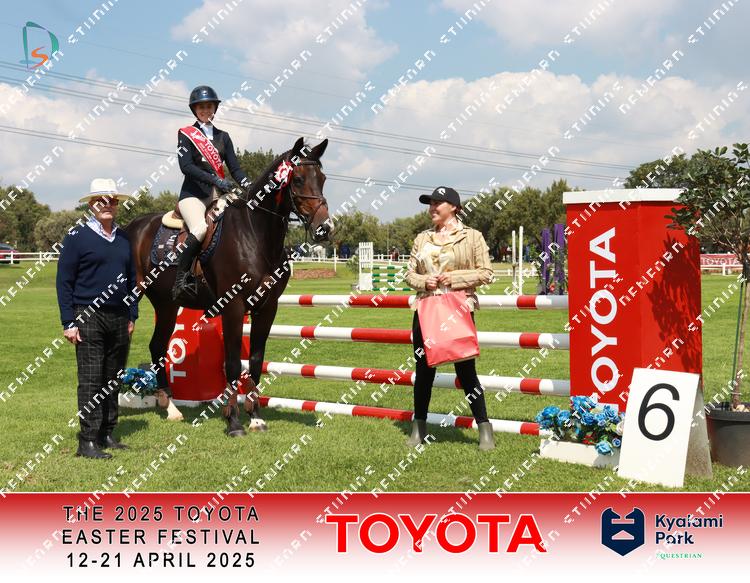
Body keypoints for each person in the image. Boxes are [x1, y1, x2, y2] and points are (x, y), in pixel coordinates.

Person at [405, 186, 495, 450]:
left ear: (454, 207)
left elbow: (486, 273)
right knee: (424, 371)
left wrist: (453, 278)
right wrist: (424, 281)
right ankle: (418, 428)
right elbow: (409, 274)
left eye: (437, 203)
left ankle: (485, 429)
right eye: (430, 204)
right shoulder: (421, 238)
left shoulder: (473, 236)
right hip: (426, 310)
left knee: (466, 372)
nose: (432, 208)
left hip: (458, 310)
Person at [56, 179, 138, 459]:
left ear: (117, 205)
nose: (107, 205)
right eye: (101, 200)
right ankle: (87, 441)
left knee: (113, 378)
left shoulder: (124, 238)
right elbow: (64, 282)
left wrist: (132, 314)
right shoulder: (77, 236)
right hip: (87, 314)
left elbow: (132, 280)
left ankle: (106, 433)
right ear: (91, 205)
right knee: (91, 379)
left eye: (112, 201)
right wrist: (69, 322)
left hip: (119, 317)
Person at [172, 85, 250, 300]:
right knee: (199, 230)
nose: (205, 110)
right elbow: (186, 166)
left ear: (214, 108)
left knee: (242, 217)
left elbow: (235, 169)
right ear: (195, 110)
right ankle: (181, 279)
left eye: (209, 106)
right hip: (194, 195)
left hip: (219, 194)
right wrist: (215, 179)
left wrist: (249, 185)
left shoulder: (224, 137)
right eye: (201, 107)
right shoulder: (186, 134)